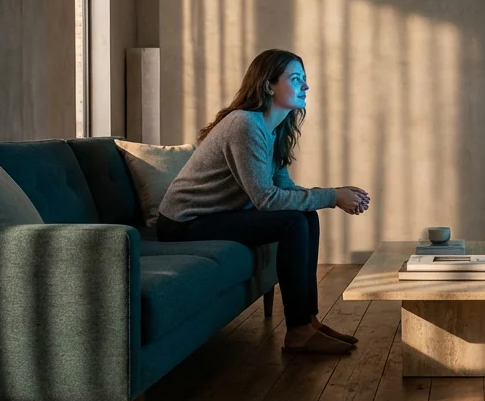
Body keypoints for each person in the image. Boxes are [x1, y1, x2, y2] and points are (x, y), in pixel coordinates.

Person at [157, 49, 371, 355]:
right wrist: (333, 196)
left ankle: (308, 322)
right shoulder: (245, 125)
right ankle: (298, 332)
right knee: (294, 222)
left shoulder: (274, 129)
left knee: (306, 216)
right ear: (268, 85)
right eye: (296, 79)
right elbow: (266, 199)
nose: (305, 87)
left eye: (305, 80)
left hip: (217, 215)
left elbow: (284, 189)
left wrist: (332, 193)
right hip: (184, 222)